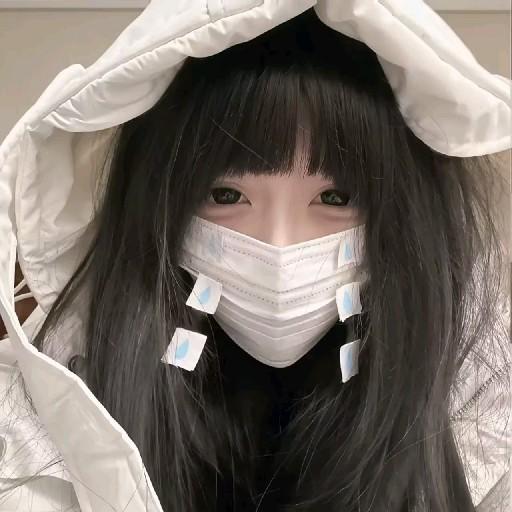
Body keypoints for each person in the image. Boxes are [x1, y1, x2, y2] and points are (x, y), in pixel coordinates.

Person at [0, 4, 510, 512]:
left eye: (335, 198)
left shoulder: (481, 399)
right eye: (226, 196)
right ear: (156, 202)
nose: (278, 248)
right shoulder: (41, 407)